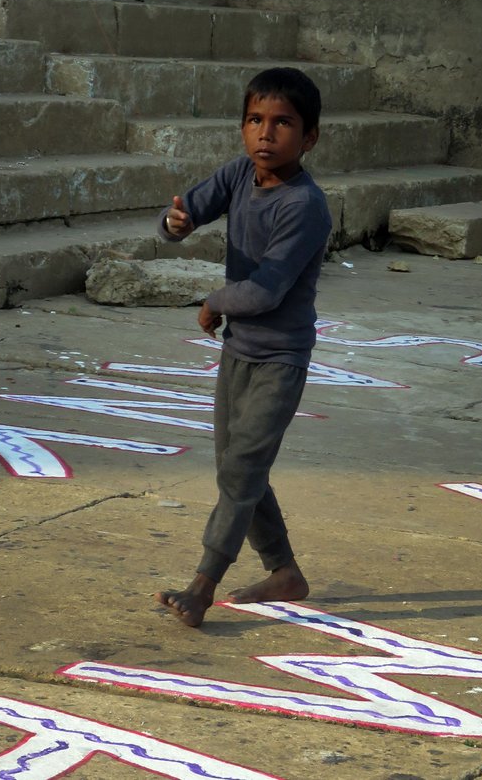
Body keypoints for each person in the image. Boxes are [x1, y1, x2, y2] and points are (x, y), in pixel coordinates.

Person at [155, 67, 332, 627]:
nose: (266, 134)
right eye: (255, 120)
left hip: (280, 358)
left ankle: (203, 586)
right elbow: (187, 212)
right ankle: (284, 573)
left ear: (308, 138)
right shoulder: (240, 174)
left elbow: (266, 288)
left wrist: (214, 299)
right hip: (238, 353)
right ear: (242, 127)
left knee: (243, 470)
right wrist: (175, 222)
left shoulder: (305, 206)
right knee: (238, 470)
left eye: (282, 123)